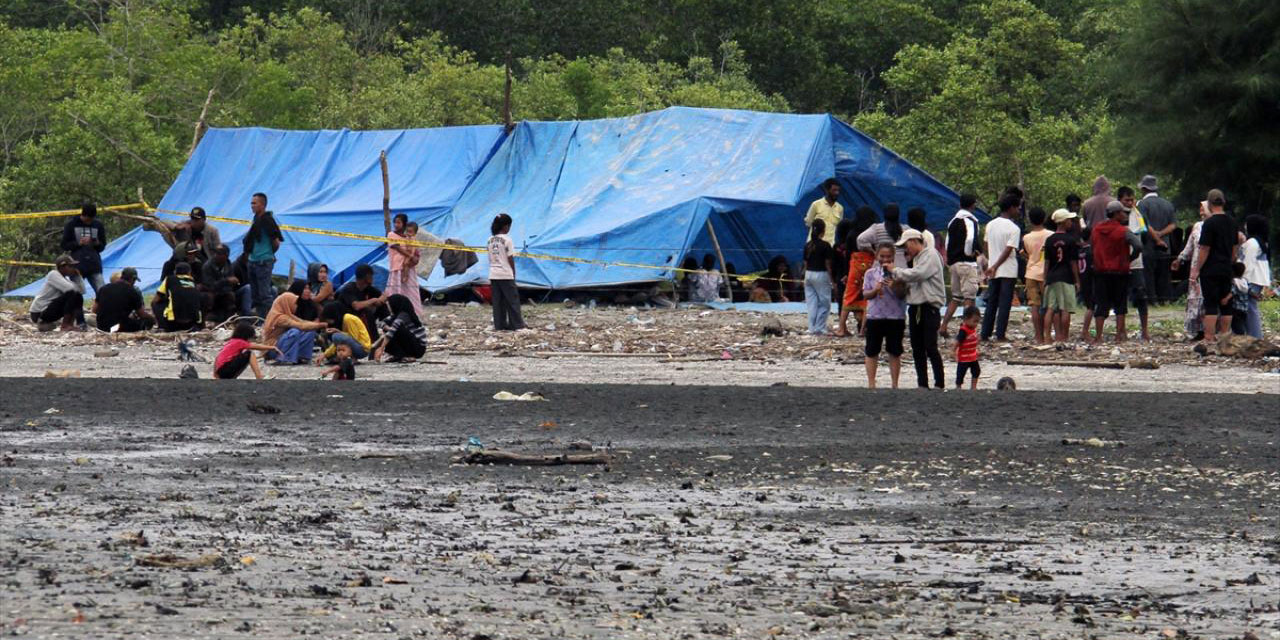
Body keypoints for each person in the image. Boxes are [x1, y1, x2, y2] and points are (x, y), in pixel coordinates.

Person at [883, 229, 945, 389]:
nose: (905, 249)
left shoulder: (930, 254)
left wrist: (895, 271)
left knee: (930, 346)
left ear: (913, 241)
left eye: (906, 245)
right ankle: (922, 384)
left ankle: (939, 383)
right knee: (917, 348)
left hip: (929, 307)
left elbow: (918, 274)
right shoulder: (917, 258)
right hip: (915, 307)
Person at [1090, 200, 1142, 344]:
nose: (1124, 214)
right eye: (1122, 212)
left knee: (1101, 305)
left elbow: (1092, 247)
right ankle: (1119, 335)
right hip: (1119, 271)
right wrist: (1130, 258)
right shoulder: (1123, 231)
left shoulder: (1096, 229)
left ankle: (1098, 336)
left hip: (1100, 271)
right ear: (1117, 214)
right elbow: (1138, 245)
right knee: (1120, 304)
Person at [1191, 189, 1239, 343]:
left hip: (1211, 269)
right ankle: (1225, 337)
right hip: (1226, 267)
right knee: (1226, 302)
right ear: (1223, 202)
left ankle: (1209, 337)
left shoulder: (1209, 223)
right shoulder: (1232, 222)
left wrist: (1197, 269)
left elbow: (1205, 248)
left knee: (1211, 303)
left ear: (1210, 204)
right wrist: (1231, 261)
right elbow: (1234, 248)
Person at [861, 243, 906, 389]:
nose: (885, 259)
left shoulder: (900, 274)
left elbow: (903, 295)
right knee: (872, 350)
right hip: (875, 316)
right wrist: (875, 289)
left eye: (888, 256)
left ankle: (894, 384)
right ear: (877, 256)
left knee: (894, 351)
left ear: (893, 257)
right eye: (882, 256)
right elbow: (865, 294)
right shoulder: (870, 273)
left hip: (896, 317)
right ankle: (871, 383)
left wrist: (893, 285)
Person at [981, 194, 1022, 342]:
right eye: (1018, 207)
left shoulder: (991, 224)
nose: (1019, 210)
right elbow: (1009, 249)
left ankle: (985, 332)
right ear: (1011, 208)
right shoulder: (1014, 228)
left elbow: (986, 245)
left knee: (992, 301)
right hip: (1008, 269)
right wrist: (996, 264)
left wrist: (991, 264)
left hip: (993, 268)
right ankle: (1000, 333)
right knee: (1004, 303)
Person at [940, 194, 982, 338]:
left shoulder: (952, 222)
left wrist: (950, 258)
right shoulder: (971, 220)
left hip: (954, 263)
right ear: (973, 205)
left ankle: (944, 325)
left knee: (956, 297)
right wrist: (969, 252)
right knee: (969, 298)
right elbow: (970, 238)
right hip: (966, 263)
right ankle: (967, 331)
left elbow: (947, 242)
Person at [835, 207, 878, 337]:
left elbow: (847, 255)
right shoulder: (872, 234)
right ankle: (862, 330)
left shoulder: (851, 234)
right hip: (869, 267)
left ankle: (842, 328)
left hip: (854, 267)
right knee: (867, 298)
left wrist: (846, 273)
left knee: (848, 297)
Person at [1042, 209, 1082, 343]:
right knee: (1065, 308)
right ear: (1064, 222)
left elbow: (1046, 262)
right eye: (1069, 220)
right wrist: (1077, 281)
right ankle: (1064, 336)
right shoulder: (1071, 240)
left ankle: (1047, 336)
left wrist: (1045, 278)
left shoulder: (1049, 240)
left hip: (1052, 277)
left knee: (1050, 308)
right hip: (1066, 277)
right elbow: (1073, 263)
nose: (1071, 222)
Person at [1173, 201, 1210, 340]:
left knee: (1208, 300)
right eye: (1200, 209)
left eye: (1204, 209)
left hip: (1209, 267)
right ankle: (1197, 331)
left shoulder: (1215, 226)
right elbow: (1189, 247)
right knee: (1195, 299)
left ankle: (1209, 331)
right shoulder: (1197, 227)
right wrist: (1180, 259)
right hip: (1195, 267)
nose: (1201, 212)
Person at [1118, 186, 1151, 341]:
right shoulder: (1115, 216)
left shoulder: (1138, 215)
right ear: (1120, 200)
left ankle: (1145, 330)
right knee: (1120, 297)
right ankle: (1121, 331)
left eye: (1132, 199)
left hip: (1136, 262)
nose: (1130, 203)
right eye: (1127, 200)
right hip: (1120, 262)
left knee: (1141, 297)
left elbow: (1142, 237)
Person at [1137, 175, 1176, 303]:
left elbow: (1145, 225)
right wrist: (1161, 235)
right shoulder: (1168, 204)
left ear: (1144, 189)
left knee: (1149, 275)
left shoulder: (1142, 204)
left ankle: (1152, 300)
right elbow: (1173, 225)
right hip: (1166, 246)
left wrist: (1155, 238)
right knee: (1164, 275)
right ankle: (1165, 300)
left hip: (1149, 246)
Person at [244, 192, 283, 317]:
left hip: (263, 262)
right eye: (251, 203)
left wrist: (268, 255)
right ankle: (260, 320)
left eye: (254, 203)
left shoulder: (267, 220)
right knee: (255, 295)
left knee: (265, 295)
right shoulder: (256, 220)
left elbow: (276, 242)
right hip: (253, 261)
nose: (252, 206)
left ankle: (271, 321)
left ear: (262, 204)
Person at [261, 291, 326, 364]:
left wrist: (315, 324)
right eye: (294, 303)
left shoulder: (288, 314)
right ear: (286, 303)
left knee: (310, 331)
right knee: (295, 331)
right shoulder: (279, 317)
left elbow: (302, 322)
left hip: (281, 344)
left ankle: (302, 356)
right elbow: (301, 326)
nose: (296, 305)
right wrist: (321, 325)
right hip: (272, 349)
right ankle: (284, 358)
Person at [487, 213, 526, 331]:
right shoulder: (507, 240)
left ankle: (500, 325)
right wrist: (513, 273)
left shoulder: (489, 240)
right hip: (505, 273)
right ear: (505, 226)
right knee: (512, 301)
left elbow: (489, 256)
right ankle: (517, 325)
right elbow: (510, 258)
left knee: (498, 302)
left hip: (493, 274)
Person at [1021, 207, 1053, 344]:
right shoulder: (1051, 234)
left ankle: (1038, 336)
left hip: (1031, 273)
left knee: (1034, 305)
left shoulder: (1026, 237)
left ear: (1030, 220)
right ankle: (1047, 336)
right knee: (1049, 306)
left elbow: (1028, 254)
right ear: (1044, 218)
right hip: (1047, 272)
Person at [29, 255, 86, 331]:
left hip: (49, 310)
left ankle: (76, 323)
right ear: (62, 267)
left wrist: (77, 276)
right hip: (39, 312)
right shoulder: (53, 274)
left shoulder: (65, 279)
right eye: (71, 266)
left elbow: (81, 291)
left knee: (78, 296)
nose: (73, 268)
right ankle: (65, 325)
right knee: (72, 294)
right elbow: (70, 289)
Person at [384, 212, 425, 318]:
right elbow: (398, 248)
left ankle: (413, 312)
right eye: (395, 222)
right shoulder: (391, 235)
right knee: (396, 290)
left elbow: (415, 248)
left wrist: (415, 257)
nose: (396, 225)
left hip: (408, 267)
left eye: (399, 222)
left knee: (410, 290)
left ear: (404, 224)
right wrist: (411, 256)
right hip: (397, 267)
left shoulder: (409, 237)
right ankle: (395, 312)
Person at [60, 204, 107, 293]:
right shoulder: (71, 224)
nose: (89, 222)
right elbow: (64, 245)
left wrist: (97, 243)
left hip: (94, 264)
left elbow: (102, 245)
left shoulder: (98, 225)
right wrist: (78, 243)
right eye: (88, 220)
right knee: (77, 292)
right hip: (76, 264)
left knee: (102, 291)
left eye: (91, 220)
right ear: (83, 215)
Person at [92, 267, 154, 332]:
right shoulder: (132, 292)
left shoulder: (104, 288)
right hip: (118, 327)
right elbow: (142, 314)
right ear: (132, 279)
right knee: (147, 321)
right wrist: (152, 319)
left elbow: (94, 310)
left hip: (102, 326)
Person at [337, 264, 389, 340]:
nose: (373, 278)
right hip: (348, 319)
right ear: (367, 277)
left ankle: (389, 329)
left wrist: (379, 301)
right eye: (371, 275)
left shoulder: (368, 288)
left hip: (362, 316)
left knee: (382, 306)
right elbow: (357, 306)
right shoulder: (349, 288)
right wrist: (373, 300)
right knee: (367, 311)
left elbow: (384, 295)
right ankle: (374, 339)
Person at [1240, 215, 1271, 339]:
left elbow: (1247, 263)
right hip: (1259, 279)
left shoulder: (1252, 243)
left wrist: (1243, 281)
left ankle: (1255, 337)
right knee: (1251, 307)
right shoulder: (1262, 242)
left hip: (1251, 278)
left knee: (1250, 309)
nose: (1245, 226)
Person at [153, 207, 222, 262]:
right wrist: (176, 226)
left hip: (207, 261)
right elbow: (164, 221)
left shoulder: (212, 231)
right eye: (192, 219)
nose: (194, 221)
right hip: (189, 260)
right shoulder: (185, 225)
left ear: (204, 219)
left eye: (197, 219)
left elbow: (219, 249)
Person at [213, 321, 278, 380]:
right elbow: (255, 346)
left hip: (220, 372)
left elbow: (217, 358)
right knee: (249, 354)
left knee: (243, 357)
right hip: (224, 371)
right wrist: (272, 347)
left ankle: (233, 377)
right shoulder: (240, 342)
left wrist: (216, 375)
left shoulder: (231, 342)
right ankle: (259, 376)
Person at [372, 294, 428, 362]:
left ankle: (409, 355)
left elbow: (393, 330)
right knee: (390, 327)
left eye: (389, 305)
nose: (388, 307)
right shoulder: (395, 316)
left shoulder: (404, 315)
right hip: (411, 344)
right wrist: (386, 327)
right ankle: (398, 355)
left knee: (396, 329)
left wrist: (381, 348)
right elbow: (380, 323)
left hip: (418, 348)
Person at [802, 219, 834, 335]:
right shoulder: (826, 245)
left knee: (811, 302)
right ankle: (820, 327)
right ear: (823, 231)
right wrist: (832, 280)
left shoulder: (807, 245)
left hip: (808, 274)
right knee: (824, 302)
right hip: (821, 274)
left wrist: (804, 278)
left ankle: (812, 327)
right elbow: (828, 265)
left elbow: (805, 263)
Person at [202, 244, 247, 324]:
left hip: (225, 292)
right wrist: (226, 281)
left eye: (219, 254)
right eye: (215, 253)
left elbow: (232, 282)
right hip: (212, 293)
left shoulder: (228, 264)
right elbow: (209, 285)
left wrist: (234, 283)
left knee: (233, 295)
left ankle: (233, 319)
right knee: (210, 297)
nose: (216, 255)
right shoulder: (208, 266)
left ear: (226, 256)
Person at [153, 262, 202, 332]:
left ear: (175, 271)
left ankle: (163, 327)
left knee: (156, 304)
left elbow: (156, 299)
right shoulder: (193, 281)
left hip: (173, 324)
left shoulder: (169, 279)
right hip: (192, 324)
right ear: (189, 272)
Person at [804, 178, 843, 244]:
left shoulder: (840, 208)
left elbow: (838, 227)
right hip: (814, 246)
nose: (837, 193)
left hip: (830, 246)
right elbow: (808, 224)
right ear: (827, 190)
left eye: (838, 190)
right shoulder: (816, 204)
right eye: (834, 190)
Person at [954, 306, 981, 390]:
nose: (976, 324)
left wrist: (977, 349)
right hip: (964, 357)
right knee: (961, 373)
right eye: (974, 321)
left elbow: (974, 340)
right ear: (966, 319)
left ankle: (973, 386)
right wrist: (954, 351)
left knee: (976, 371)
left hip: (972, 356)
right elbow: (958, 342)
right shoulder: (964, 331)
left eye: (977, 322)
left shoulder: (973, 329)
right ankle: (958, 386)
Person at [1228, 262, 1251, 336]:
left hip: (1236, 309)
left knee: (1237, 326)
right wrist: (1256, 295)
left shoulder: (1234, 282)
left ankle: (1241, 338)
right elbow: (1249, 291)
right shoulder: (1245, 281)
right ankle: (1242, 335)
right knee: (1242, 323)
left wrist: (1225, 299)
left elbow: (1233, 292)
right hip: (1244, 309)